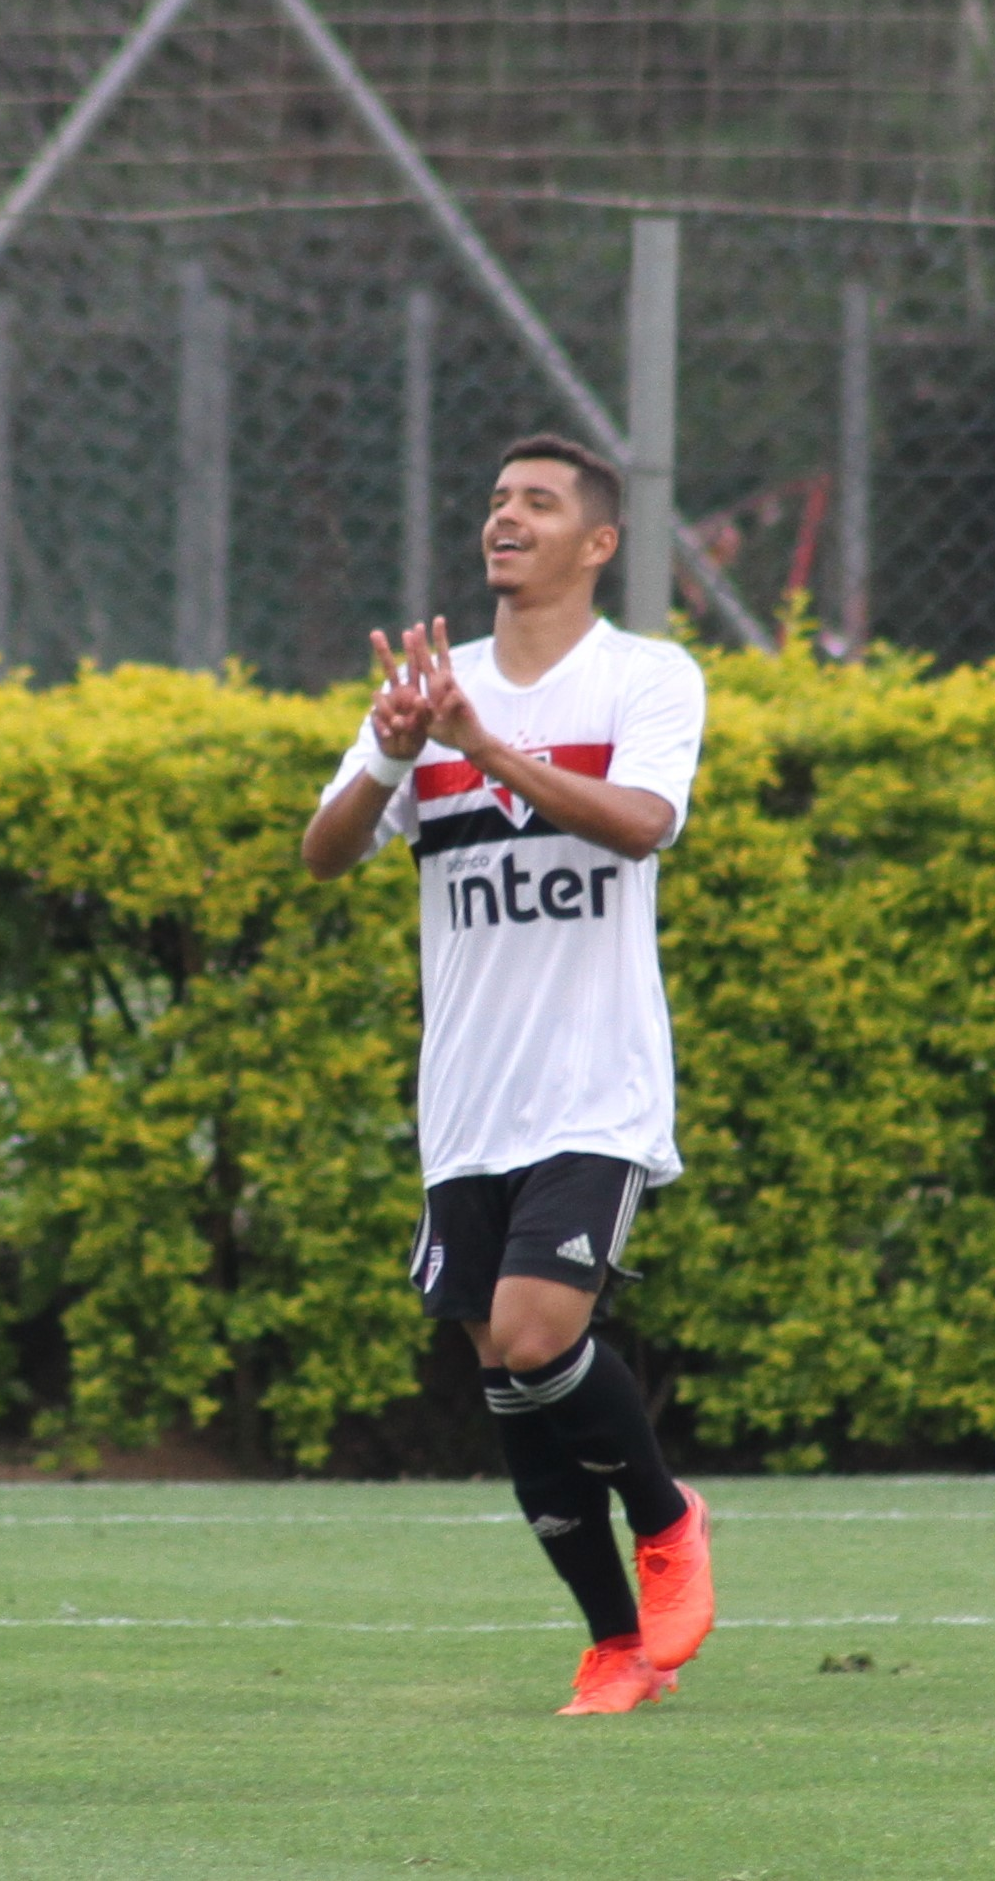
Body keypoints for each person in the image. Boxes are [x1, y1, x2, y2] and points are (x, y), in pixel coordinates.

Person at [302, 432, 715, 1716]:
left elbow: (641, 825)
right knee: (509, 1381)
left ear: (597, 543)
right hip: (466, 1100)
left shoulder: (645, 679)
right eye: (494, 500)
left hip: (592, 1084)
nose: (505, 518)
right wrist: (386, 752)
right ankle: (612, 1648)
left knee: (541, 1337)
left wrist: (481, 747)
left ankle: (664, 1518)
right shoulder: (432, 691)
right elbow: (322, 856)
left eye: (538, 503)